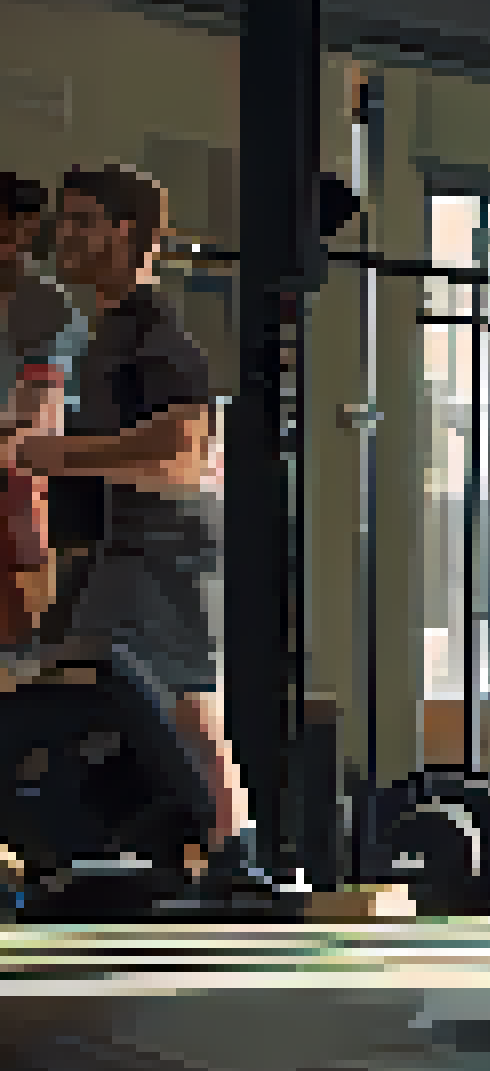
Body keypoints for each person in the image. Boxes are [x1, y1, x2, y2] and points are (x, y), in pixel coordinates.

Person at [14, 163, 275, 906]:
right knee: (181, 700)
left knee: (92, 683)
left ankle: (214, 848)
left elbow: (186, 444)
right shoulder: (103, 333)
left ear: (124, 233)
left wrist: (62, 455)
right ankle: (224, 848)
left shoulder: (156, 335)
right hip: (123, 548)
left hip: (157, 545)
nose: (64, 236)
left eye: (82, 222)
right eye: (63, 221)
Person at [0, 173, 85, 645]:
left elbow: (34, 424)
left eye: (14, 232)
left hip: (23, 489)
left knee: (17, 641)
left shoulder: (45, 307)